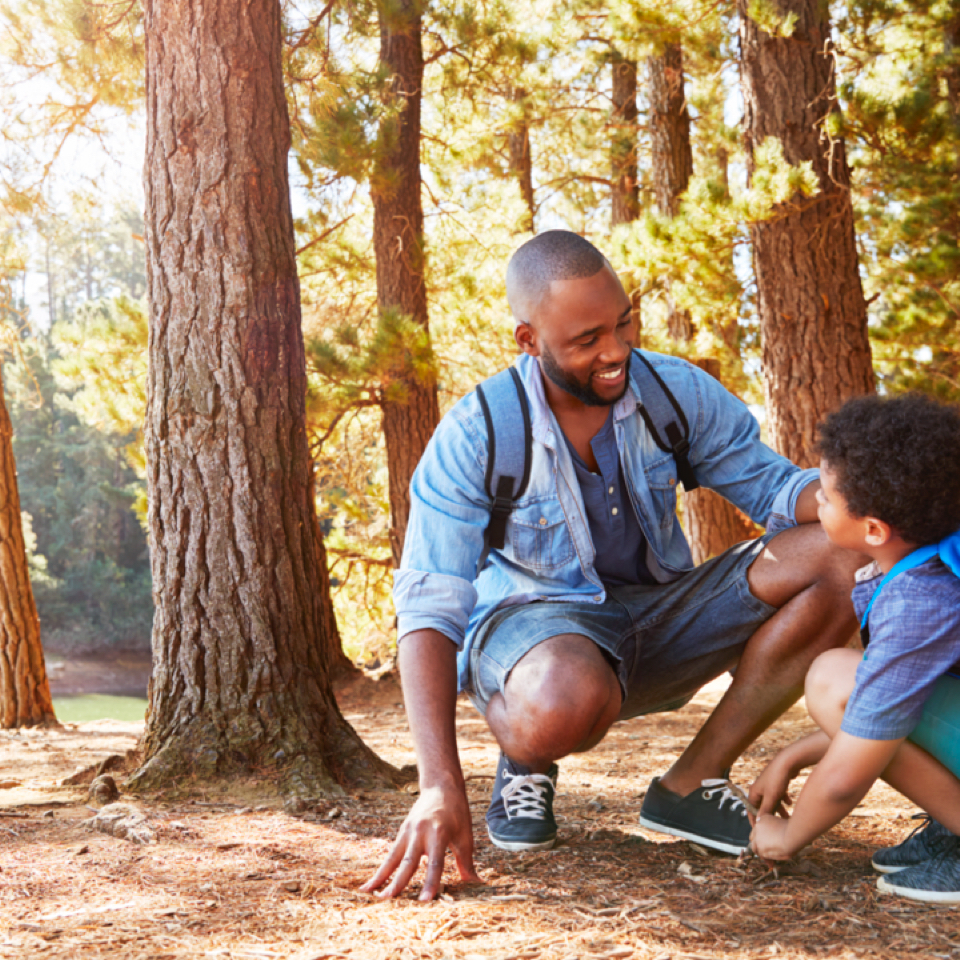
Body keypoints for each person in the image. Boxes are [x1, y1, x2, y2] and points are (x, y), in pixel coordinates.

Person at [362, 230, 862, 901]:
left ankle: (691, 783)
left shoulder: (674, 392)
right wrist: (438, 786)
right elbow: (428, 608)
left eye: (623, 322)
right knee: (561, 697)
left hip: (658, 616)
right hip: (536, 637)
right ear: (528, 340)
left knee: (844, 548)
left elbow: (774, 490)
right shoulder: (478, 431)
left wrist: (857, 491)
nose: (616, 350)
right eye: (587, 338)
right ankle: (526, 758)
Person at [748, 393, 960, 904]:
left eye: (824, 493)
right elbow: (896, 708)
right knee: (840, 677)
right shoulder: (922, 566)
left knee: (833, 681)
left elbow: (855, 760)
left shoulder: (920, 601)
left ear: (873, 529)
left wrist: (789, 835)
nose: (815, 500)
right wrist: (795, 755)